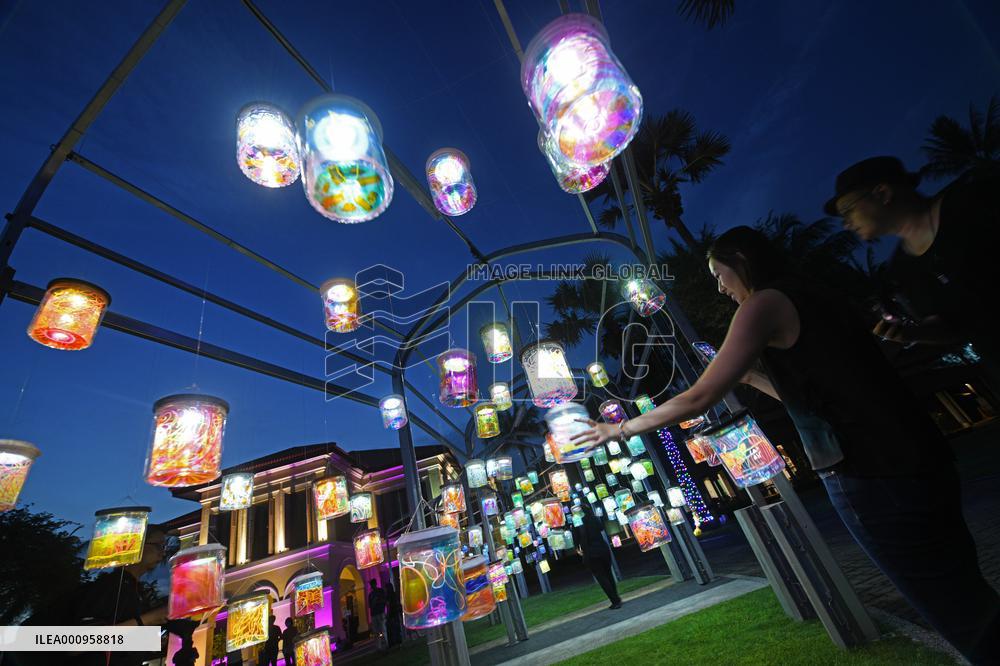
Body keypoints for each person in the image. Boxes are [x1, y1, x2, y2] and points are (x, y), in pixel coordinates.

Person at [572, 226, 1000, 665]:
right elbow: (812, 397)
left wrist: (619, 430)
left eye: (719, 273)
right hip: (915, 451)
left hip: (868, 467)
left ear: (741, 260)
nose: (720, 287)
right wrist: (750, 375)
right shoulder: (812, 294)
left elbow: (699, 396)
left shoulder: (764, 302)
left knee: (953, 609)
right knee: (967, 590)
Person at [824, 155, 1000, 383]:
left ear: (883, 193)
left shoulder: (974, 202)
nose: (846, 224)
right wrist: (911, 334)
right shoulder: (902, 270)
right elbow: (952, 327)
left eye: (848, 211)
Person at [17, 526, 170, 666]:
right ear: (136, 546)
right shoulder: (112, 586)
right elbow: (81, 642)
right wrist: (150, 618)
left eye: (164, 547)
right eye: (158, 546)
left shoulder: (135, 590)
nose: (163, 553)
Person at [572, 503, 621, 609]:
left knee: (601, 577)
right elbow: (601, 528)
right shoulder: (594, 519)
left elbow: (576, 540)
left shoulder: (577, 523)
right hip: (603, 550)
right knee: (608, 575)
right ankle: (616, 598)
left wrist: (579, 549)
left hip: (591, 553)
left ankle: (615, 601)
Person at [367, 578, 388, 649]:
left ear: (375, 584)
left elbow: (384, 600)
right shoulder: (371, 595)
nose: (372, 586)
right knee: (376, 631)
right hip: (375, 613)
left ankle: (387, 642)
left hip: (380, 612)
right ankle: (379, 647)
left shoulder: (380, 591)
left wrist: (378, 602)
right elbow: (370, 605)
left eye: (372, 584)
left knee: (383, 629)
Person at [383, 577, 403, 647]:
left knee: (393, 627)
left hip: (392, 612)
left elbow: (388, 605)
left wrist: (387, 614)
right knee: (396, 626)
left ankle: (395, 641)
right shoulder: (393, 594)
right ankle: (398, 639)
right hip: (395, 612)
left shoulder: (389, 595)